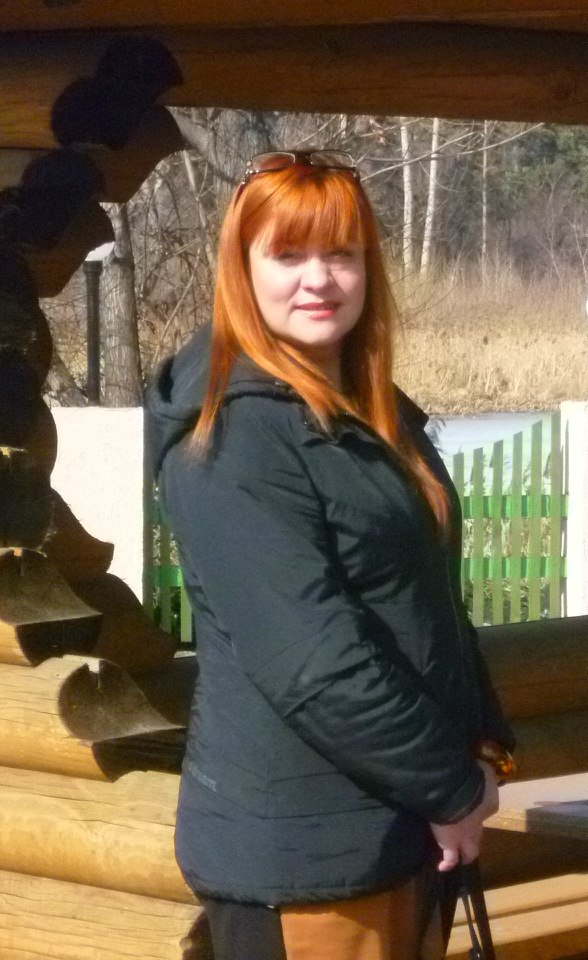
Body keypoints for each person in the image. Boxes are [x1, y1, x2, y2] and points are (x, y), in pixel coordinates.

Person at [144, 150, 516, 960]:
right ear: (242, 270)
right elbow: (314, 663)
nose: (318, 279)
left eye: (340, 253)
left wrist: (481, 745)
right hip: (308, 854)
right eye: (288, 255)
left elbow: (423, 598)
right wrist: (451, 787)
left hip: (395, 827)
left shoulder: (367, 414)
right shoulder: (233, 435)